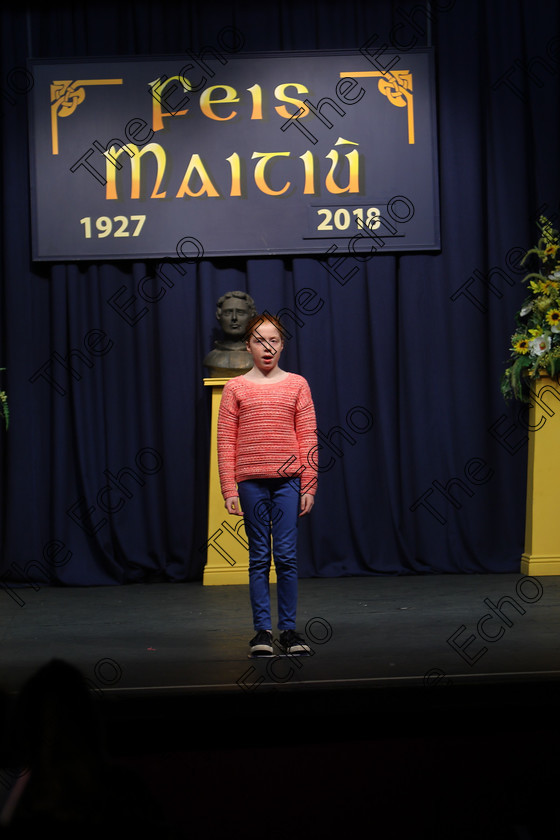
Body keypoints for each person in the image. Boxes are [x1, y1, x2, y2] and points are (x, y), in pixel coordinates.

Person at [217, 313, 317, 657]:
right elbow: (226, 440)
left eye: (273, 340)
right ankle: (262, 631)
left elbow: (308, 438)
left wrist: (309, 485)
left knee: (286, 557)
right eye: (259, 340)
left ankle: (288, 630)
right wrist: (229, 489)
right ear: (248, 346)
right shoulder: (236, 388)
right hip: (251, 483)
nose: (267, 347)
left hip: (288, 483)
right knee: (259, 557)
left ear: (283, 344)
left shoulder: (297, 385)